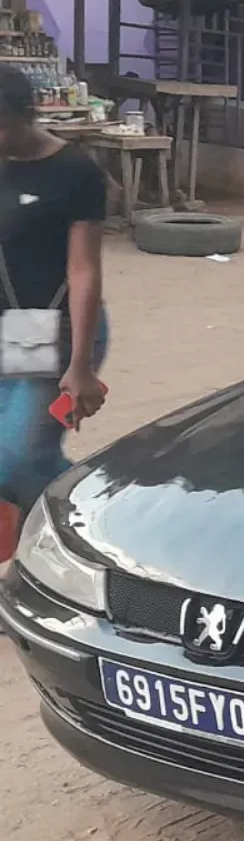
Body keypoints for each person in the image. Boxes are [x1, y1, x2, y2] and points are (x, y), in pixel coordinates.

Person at [0, 67, 108, 552]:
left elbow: (84, 269)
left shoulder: (75, 172)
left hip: (60, 330)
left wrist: (80, 365)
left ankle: (102, 514)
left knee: (19, 458)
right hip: (9, 329)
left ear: (29, 113)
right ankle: (36, 554)